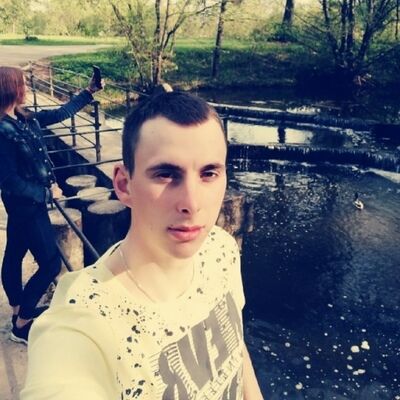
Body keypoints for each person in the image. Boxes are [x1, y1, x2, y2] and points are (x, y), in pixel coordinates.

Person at [21, 91, 264, 399]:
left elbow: (235, 345)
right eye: (166, 174)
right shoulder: (83, 322)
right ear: (124, 185)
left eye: (209, 173)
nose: (192, 203)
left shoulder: (221, 250)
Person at [0, 65, 103, 344]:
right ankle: (22, 324)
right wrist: (48, 194)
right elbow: (8, 180)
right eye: (22, 84)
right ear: (11, 89)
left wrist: (88, 92)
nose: (26, 88)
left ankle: (18, 309)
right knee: (50, 264)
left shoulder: (23, 116)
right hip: (26, 205)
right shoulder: (2, 131)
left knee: (14, 253)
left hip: (29, 204)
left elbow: (59, 114)